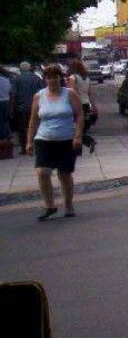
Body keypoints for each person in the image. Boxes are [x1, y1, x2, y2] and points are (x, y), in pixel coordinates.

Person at [26, 64, 84, 220]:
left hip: (66, 140)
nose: (52, 80)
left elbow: (79, 115)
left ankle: (68, 205)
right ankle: (49, 205)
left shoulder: (69, 94)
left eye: (55, 76)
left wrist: (78, 136)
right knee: (42, 172)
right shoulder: (39, 96)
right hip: (44, 139)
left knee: (64, 174)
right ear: (45, 79)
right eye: (49, 77)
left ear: (61, 78)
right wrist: (29, 141)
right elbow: (33, 120)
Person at [11, 61, 45, 154]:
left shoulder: (17, 79)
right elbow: (42, 92)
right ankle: (36, 146)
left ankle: (24, 147)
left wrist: (12, 109)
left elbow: (13, 94)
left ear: (20, 69)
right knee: (35, 126)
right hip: (35, 107)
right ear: (29, 68)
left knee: (22, 129)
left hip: (21, 108)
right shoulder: (36, 78)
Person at [67, 59, 97, 154]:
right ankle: (81, 146)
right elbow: (90, 93)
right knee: (81, 126)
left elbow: (73, 92)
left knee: (73, 127)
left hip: (76, 104)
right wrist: (93, 105)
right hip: (86, 104)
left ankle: (85, 143)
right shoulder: (86, 78)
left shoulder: (72, 77)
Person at [0, 68, 12, 148]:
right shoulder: (6, 80)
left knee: (0, 121)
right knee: (5, 119)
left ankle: (3, 137)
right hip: (6, 101)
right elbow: (10, 91)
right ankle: (8, 134)